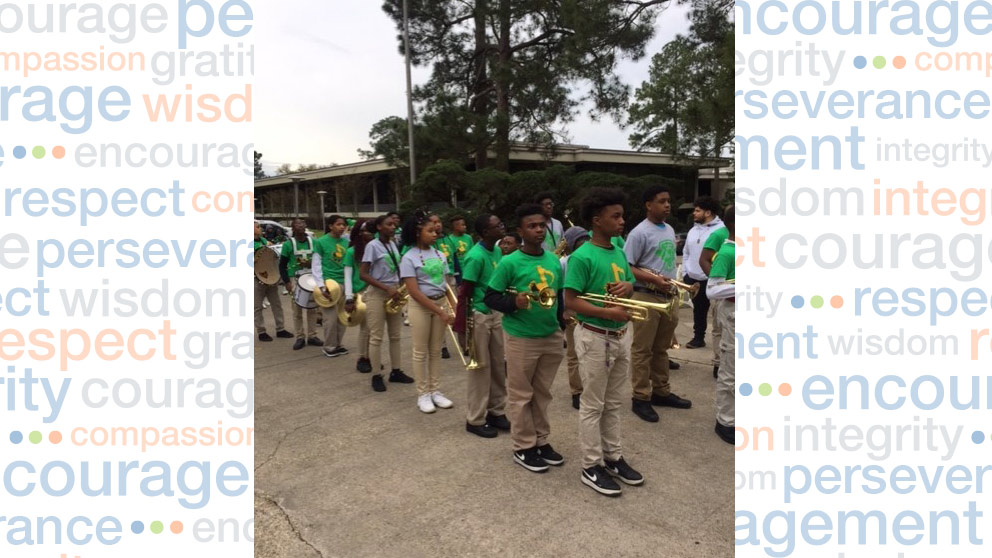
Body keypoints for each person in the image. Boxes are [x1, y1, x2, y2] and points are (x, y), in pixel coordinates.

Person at [564, 188, 643, 496]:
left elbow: (627, 285)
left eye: (622, 215)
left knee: (614, 402)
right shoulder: (582, 256)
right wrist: (608, 312)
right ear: (597, 220)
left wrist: (629, 287)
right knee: (593, 404)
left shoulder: (618, 251)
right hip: (595, 336)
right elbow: (571, 301)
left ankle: (613, 457)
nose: (622, 221)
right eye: (616, 216)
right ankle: (590, 465)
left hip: (621, 334)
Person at [484, 203, 566, 473]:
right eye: (532, 226)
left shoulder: (553, 260)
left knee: (542, 393)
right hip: (521, 337)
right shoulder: (509, 262)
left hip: (550, 335)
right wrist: (513, 303)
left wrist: (561, 325)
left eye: (542, 225)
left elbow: (559, 295)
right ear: (520, 231)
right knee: (521, 395)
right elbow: (490, 297)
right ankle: (523, 446)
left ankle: (541, 440)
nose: (539, 230)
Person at [624, 184, 692, 424]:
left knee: (661, 348)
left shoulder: (669, 228)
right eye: (661, 201)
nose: (667, 205)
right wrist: (653, 279)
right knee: (642, 350)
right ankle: (640, 397)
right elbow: (627, 267)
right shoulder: (639, 233)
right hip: (646, 296)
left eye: (668, 201)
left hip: (668, 296)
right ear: (648, 205)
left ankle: (661, 391)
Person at [455, 213, 508, 438]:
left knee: (498, 365)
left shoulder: (496, 251)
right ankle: (475, 419)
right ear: (486, 232)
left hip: (495, 313)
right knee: (480, 368)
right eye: (498, 225)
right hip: (479, 315)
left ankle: (496, 411)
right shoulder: (475, 257)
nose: (502, 227)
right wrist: (462, 328)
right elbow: (465, 292)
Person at [400, 212, 456, 413]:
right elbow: (414, 291)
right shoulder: (408, 257)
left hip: (440, 304)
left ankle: (435, 391)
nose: (435, 234)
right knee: (420, 351)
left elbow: (445, 284)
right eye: (430, 231)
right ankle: (422, 394)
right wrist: (439, 311)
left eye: (435, 231)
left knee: (435, 351)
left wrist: (454, 306)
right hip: (421, 307)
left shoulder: (440, 254)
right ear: (417, 232)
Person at [360, 215, 413, 392]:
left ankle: (396, 371)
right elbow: (363, 274)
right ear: (379, 227)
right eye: (388, 224)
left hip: (394, 292)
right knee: (376, 337)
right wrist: (386, 288)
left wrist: (400, 286)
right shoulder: (372, 246)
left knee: (395, 336)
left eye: (393, 224)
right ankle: (376, 375)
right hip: (377, 293)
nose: (393, 227)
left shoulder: (392, 244)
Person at [707, 206, 735, 444]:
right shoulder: (727, 252)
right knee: (731, 370)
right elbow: (713, 289)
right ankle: (725, 421)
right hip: (734, 313)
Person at [682, 196, 725, 349]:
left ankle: (722, 341)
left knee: (719, 312)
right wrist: (685, 273)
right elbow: (686, 252)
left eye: (697, 210)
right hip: (693, 279)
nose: (694, 213)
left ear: (707, 213)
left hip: (713, 278)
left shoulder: (721, 230)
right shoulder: (693, 230)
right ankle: (698, 338)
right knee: (698, 311)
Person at [279, 218, 321, 350]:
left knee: (312, 308)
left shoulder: (314, 242)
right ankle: (300, 337)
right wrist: (286, 282)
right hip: (295, 279)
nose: (300, 226)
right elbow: (282, 265)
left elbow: (319, 261)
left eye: (302, 223)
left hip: (311, 279)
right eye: (297, 224)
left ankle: (312, 335)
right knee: (297, 310)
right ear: (293, 228)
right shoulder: (288, 245)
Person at [560, 226, 589, 410]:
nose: (585, 243)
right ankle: (577, 391)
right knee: (574, 353)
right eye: (580, 241)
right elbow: (560, 288)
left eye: (587, 239)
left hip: (591, 309)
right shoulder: (565, 262)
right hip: (572, 312)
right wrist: (564, 310)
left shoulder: (591, 257)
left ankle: (590, 387)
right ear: (572, 245)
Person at [312, 216, 350, 358]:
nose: (342, 227)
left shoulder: (346, 242)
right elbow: (316, 265)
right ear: (330, 226)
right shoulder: (320, 242)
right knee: (330, 319)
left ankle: (338, 344)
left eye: (343, 225)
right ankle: (329, 346)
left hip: (345, 283)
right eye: (338, 224)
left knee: (342, 317)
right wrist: (321, 286)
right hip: (329, 285)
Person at [700, 214, 730, 379]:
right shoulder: (719, 234)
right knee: (719, 328)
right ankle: (718, 362)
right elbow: (704, 259)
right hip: (723, 292)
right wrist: (717, 280)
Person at [345, 219, 376, 372]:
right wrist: (348, 297)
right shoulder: (351, 252)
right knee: (366, 328)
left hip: (376, 291)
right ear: (360, 233)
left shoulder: (377, 249)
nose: (370, 233)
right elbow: (347, 275)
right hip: (361, 294)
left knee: (375, 329)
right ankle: (362, 357)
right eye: (366, 230)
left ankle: (373, 357)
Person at [255, 222, 294, 342]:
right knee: (257, 307)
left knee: (276, 304)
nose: (260, 229)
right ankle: (261, 331)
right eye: (257, 227)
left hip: (270, 277)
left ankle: (280, 328)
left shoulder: (263, 240)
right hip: (256, 278)